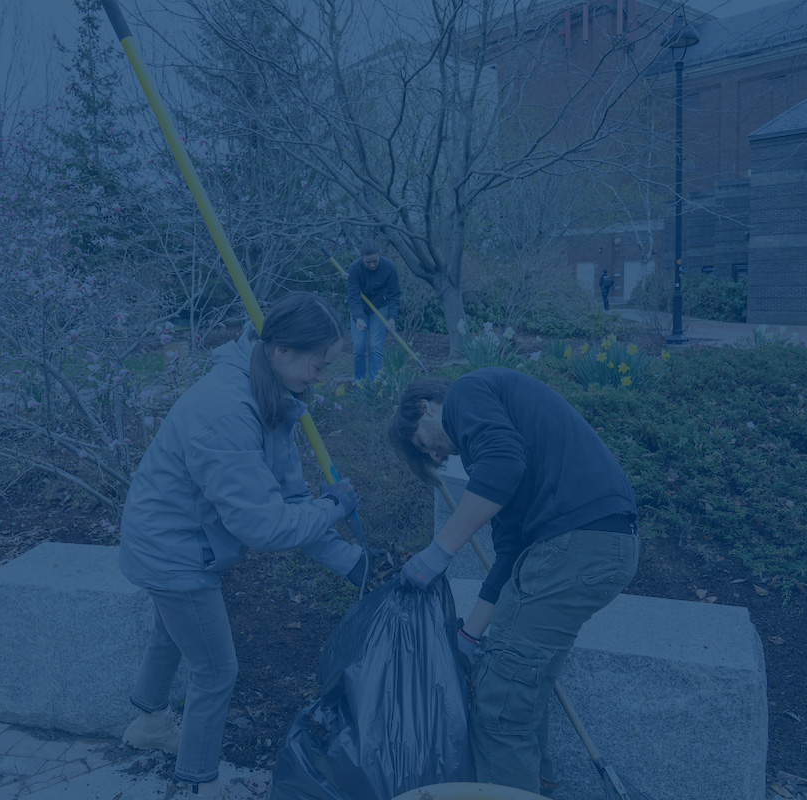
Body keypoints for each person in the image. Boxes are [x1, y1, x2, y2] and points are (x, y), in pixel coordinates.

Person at [119, 292, 369, 800]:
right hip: (173, 548)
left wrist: (355, 565)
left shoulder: (267, 392)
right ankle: (197, 783)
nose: (320, 378)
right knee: (215, 671)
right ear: (281, 351)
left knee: (173, 632)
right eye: (317, 365)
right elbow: (268, 527)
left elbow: (293, 502)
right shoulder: (228, 412)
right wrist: (335, 506)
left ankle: (149, 724)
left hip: (172, 536)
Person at [388, 369, 639, 796]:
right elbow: (510, 555)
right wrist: (469, 637)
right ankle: (536, 787)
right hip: (600, 548)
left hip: (572, 545)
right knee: (522, 693)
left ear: (424, 407)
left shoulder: (468, 393)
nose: (433, 457)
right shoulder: (498, 441)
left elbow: (504, 462)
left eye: (421, 444)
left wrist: (440, 551)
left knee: (497, 706)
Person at [346, 239, 402, 380]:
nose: (372, 265)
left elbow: (394, 295)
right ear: (361, 258)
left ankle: (375, 384)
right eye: (368, 262)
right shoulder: (354, 269)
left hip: (380, 308)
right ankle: (359, 383)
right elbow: (353, 296)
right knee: (358, 347)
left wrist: (392, 317)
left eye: (375, 261)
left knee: (375, 347)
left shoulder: (389, 267)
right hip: (359, 309)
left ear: (379, 255)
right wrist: (358, 317)